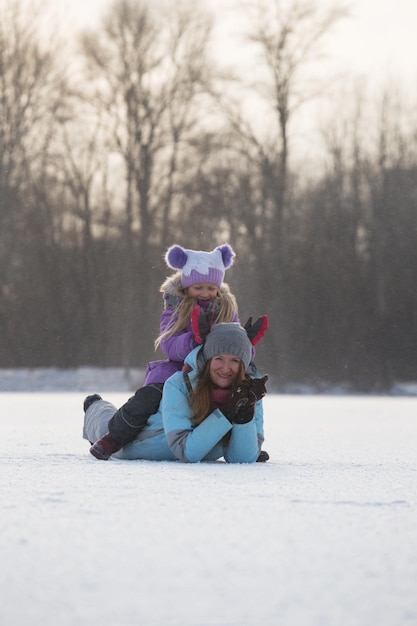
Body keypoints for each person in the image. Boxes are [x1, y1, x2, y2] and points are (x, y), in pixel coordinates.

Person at [86, 243, 242, 460]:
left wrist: (245, 348)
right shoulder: (176, 308)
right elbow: (169, 343)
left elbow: (237, 343)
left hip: (213, 373)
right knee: (147, 399)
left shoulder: (226, 310)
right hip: (176, 372)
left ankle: (243, 443)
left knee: (240, 398)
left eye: (210, 288)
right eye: (198, 288)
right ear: (187, 287)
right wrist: (194, 340)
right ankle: (114, 437)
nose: (205, 294)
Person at [82, 322, 269, 463]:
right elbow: (187, 452)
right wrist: (227, 413)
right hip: (135, 444)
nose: (226, 368)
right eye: (219, 358)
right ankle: (94, 406)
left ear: (243, 364)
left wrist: (244, 416)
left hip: (190, 449)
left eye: (235, 360)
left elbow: (241, 459)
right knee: (105, 424)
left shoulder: (248, 391)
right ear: (207, 359)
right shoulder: (178, 384)